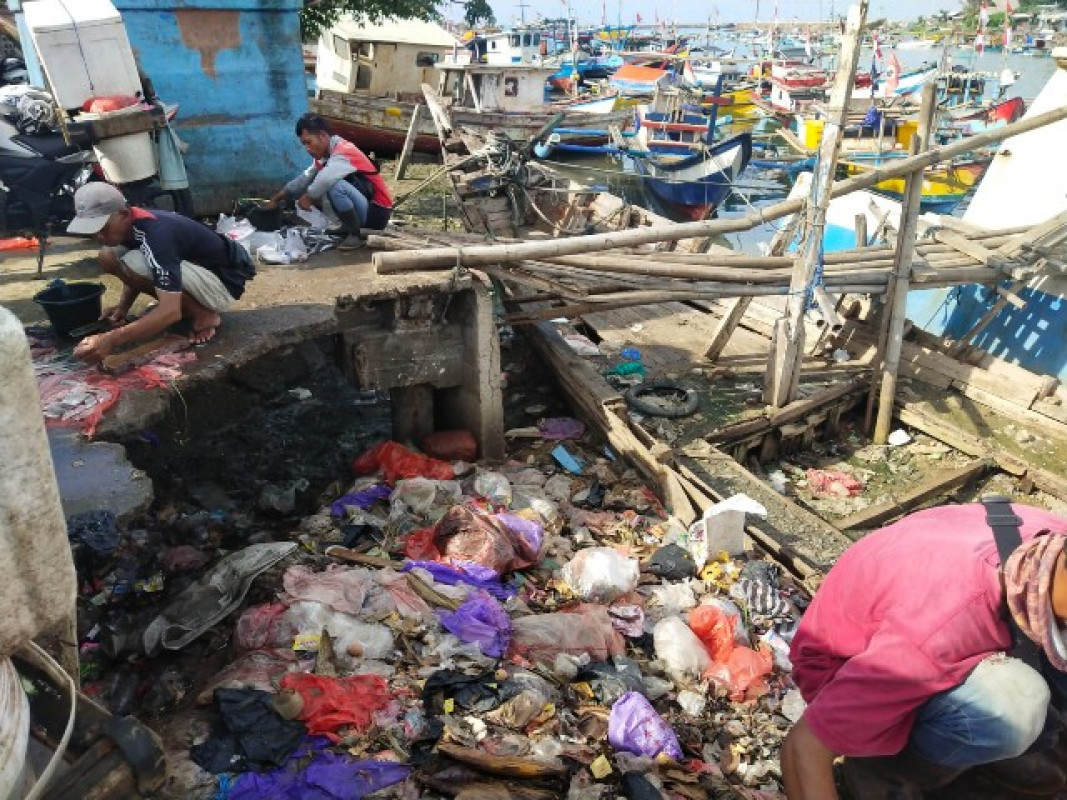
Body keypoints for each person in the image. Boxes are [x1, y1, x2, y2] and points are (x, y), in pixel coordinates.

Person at [782, 501, 1067, 799]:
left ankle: (985, 749)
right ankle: (882, 768)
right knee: (1016, 706)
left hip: (925, 594)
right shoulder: (939, 629)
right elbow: (805, 746)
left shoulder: (1050, 544)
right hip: (852, 662)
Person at [66, 183, 255, 363]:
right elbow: (133, 272)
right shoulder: (131, 225)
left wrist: (111, 339)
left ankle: (204, 316)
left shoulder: (156, 234)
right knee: (109, 255)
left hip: (224, 283)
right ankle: (188, 306)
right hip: (199, 272)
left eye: (103, 228)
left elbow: (170, 311)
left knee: (136, 262)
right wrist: (123, 308)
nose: (99, 236)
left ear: (123, 214)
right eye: (92, 232)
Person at [269, 113, 393, 251]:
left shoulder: (344, 151)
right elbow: (303, 179)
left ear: (322, 135)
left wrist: (309, 197)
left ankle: (356, 234)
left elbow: (324, 180)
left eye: (308, 142)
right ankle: (348, 227)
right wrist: (277, 198)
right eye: (304, 144)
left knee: (334, 185)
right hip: (366, 206)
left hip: (377, 213)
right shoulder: (325, 156)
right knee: (324, 185)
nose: (307, 148)